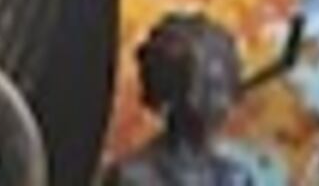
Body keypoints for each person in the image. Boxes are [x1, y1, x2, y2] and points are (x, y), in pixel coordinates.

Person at [104, 15, 254, 186]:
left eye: (228, 87)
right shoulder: (132, 177)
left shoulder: (236, 179)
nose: (224, 103)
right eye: (210, 88)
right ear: (172, 93)